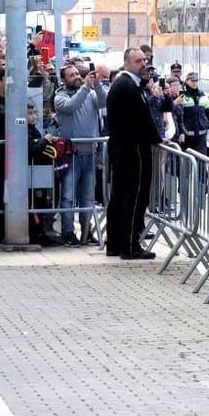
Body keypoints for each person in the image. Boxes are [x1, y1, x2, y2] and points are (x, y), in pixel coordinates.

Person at [103, 47, 158, 259]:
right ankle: (129, 245)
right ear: (127, 63)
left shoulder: (127, 85)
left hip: (124, 149)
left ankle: (116, 244)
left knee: (120, 197)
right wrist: (157, 139)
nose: (143, 64)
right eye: (138, 61)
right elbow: (143, 119)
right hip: (131, 151)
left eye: (145, 60)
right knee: (132, 197)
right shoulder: (127, 86)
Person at [52, 61, 104, 245]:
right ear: (63, 80)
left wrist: (97, 84)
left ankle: (86, 231)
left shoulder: (89, 93)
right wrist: (85, 87)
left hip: (90, 153)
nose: (76, 77)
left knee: (87, 198)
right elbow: (72, 106)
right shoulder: (59, 97)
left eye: (77, 73)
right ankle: (67, 232)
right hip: (70, 154)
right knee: (67, 196)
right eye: (71, 75)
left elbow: (104, 102)